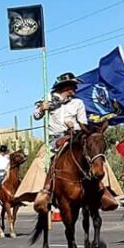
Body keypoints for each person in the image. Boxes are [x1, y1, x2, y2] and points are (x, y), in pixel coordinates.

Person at [31, 72, 88, 213]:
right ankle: (47, 191)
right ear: (65, 87)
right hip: (55, 138)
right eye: (73, 86)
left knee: (91, 153)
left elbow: (83, 124)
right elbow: (36, 116)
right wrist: (42, 109)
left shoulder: (78, 103)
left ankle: (100, 189)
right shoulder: (49, 99)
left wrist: (73, 127)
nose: (75, 89)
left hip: (74, 136)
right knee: (51, 159)